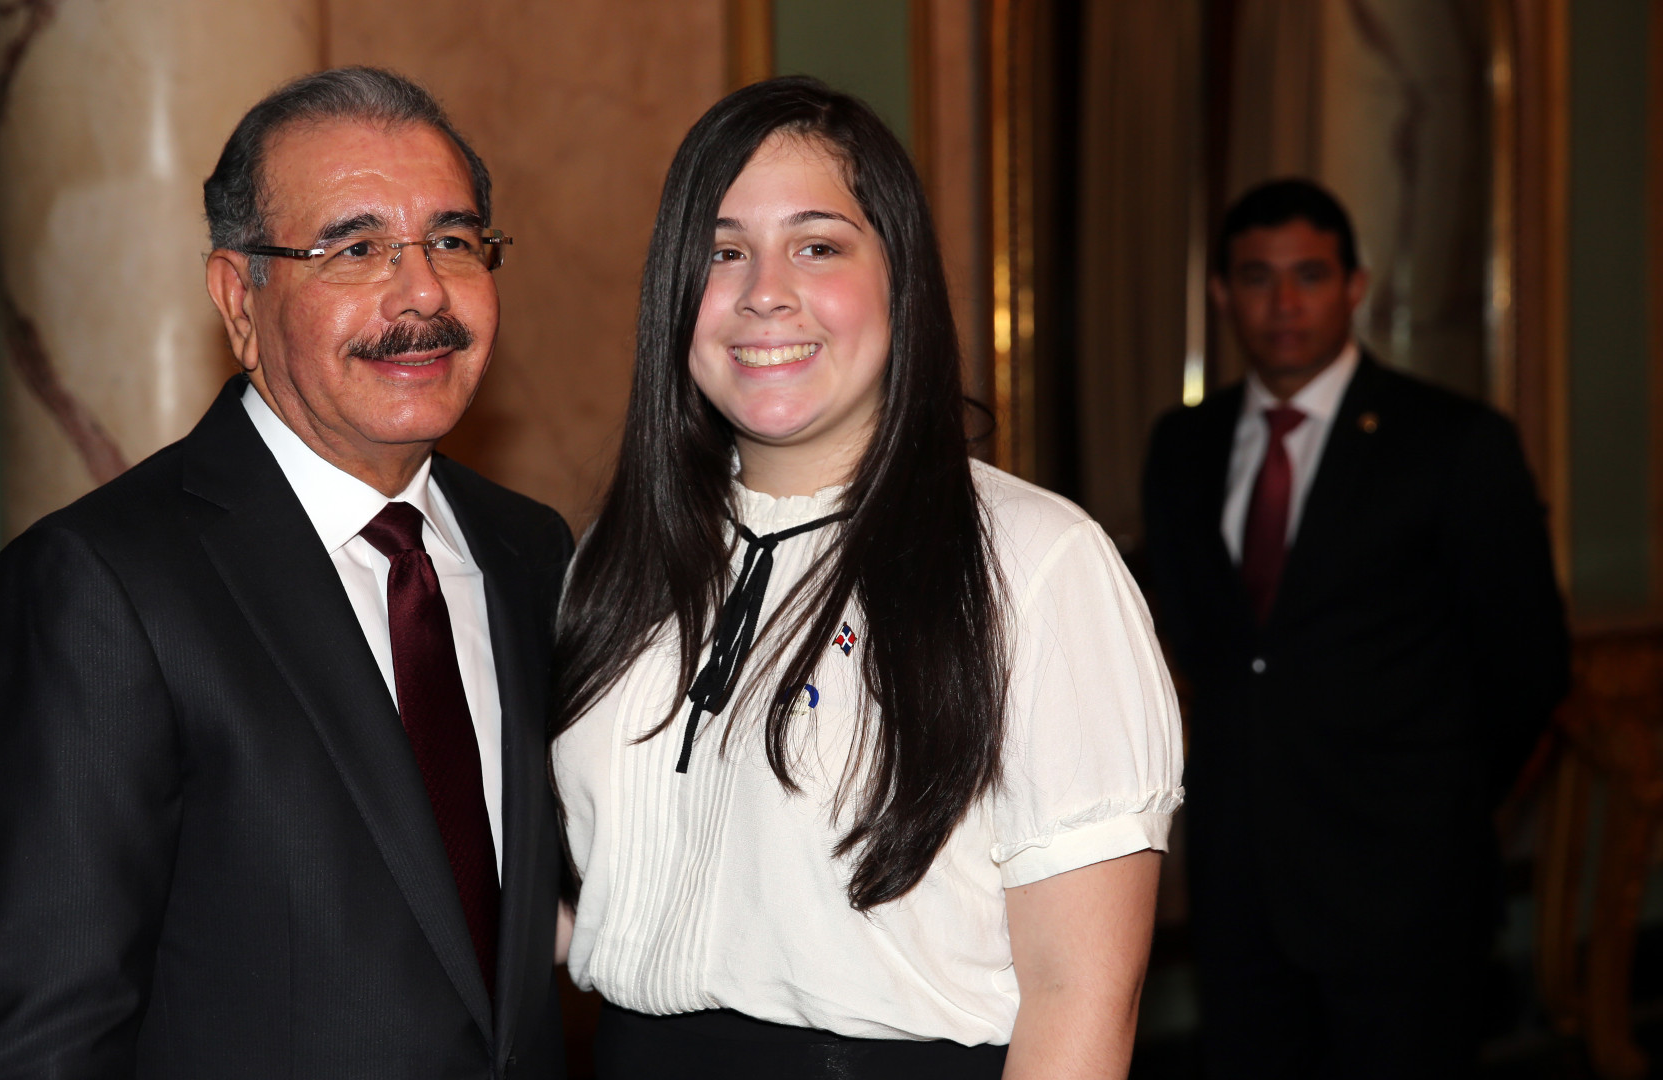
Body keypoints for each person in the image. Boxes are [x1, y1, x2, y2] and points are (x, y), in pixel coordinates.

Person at [549, 77, 1184, 1080]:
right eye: (722, 251)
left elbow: (1082, 998)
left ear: (902, 278)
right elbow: (599, 894)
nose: (764, 291)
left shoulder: (1033, 563)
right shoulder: (614, 557)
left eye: (818, 246)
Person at [0, 67, 571, 1078]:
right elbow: (44, 1039)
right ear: (240, 297)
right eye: (355, 248)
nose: (422, 292)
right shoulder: (100, 588)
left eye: (453, 242)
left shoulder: (531, 553)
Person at [1141, 179, 1570, 1078]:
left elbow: (1527, 665)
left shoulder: (1454, 442)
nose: (1284, 303)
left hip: (1406, 892)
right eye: (1257, 277)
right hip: (1239, 891)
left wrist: (1435, 806)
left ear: (1355, 287)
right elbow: (1200, 644)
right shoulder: (1182, 447)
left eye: (1309, 275)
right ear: (1221, 293)